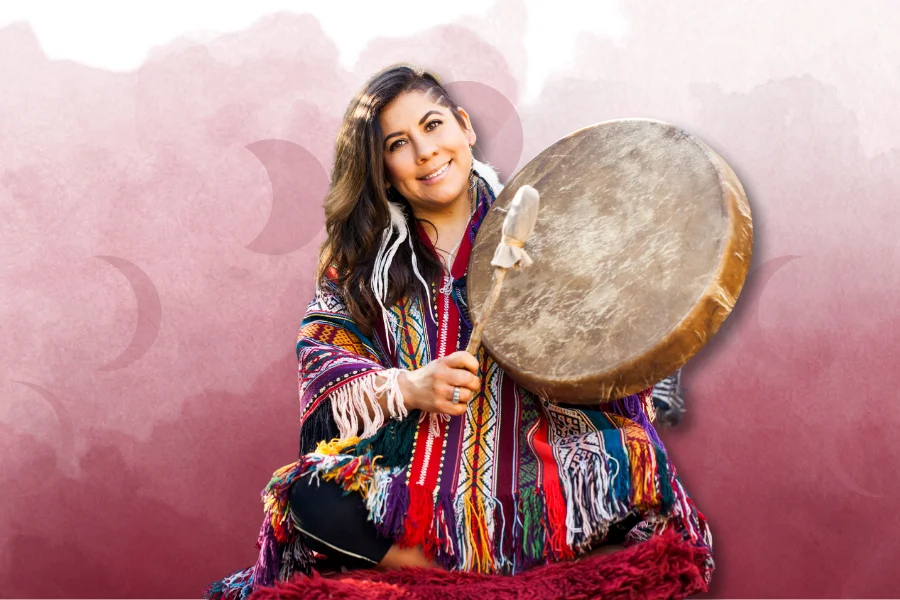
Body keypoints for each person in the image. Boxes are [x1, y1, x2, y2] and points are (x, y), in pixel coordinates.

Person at [204, 64, 713, 599]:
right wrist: (410, 386)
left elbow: (620, 323)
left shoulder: (547, 225)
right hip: (414, 490)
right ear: (380, 168)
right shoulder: (363, 268)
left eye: (433, 125)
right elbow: (323, 352)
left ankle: (461, 572)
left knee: (631, 467)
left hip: (539, 472)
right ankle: (486, 578)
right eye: (398, 143)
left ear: (464, 126)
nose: (425, 152)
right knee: (307, 495)